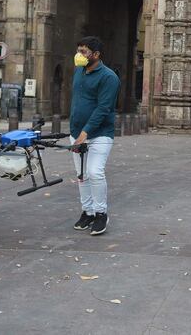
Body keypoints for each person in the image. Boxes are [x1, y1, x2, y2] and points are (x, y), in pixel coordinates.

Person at [69, 36, 120, 236]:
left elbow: (104, 107)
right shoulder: (79, 72)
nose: (79, 55)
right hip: (77, 133)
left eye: (84, 51)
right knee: (82, 175)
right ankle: (87, 212)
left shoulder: (109, 77)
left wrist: (86, 131)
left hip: (100, 134)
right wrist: (76, 130)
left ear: (96, 55)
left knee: (95, 172)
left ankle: (101, 213)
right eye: (78, 50)